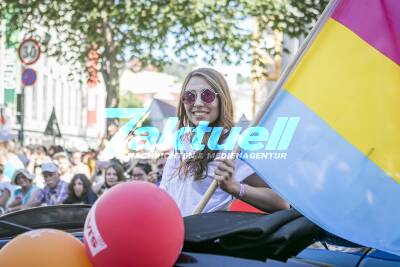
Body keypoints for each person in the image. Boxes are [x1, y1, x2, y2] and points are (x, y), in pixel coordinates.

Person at [160, 68, 289, 216]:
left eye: (207, 95)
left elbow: (281, 203)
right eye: (189, 96)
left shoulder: (233, 145)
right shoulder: (181, 141)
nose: (197, 103)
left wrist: (234, 187)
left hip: (206, 235)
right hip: (175, 235)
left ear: (221, 99)